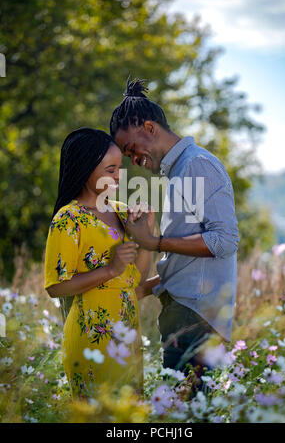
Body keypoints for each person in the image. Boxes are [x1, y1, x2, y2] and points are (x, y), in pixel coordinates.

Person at [110, 78, 240, 384]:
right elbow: (190, 265)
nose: (135, 161)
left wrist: (152, 242)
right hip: (188, 312)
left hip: (194, 318)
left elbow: (224, 240)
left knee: (181, 418)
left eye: (131, 149)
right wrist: (142, 289)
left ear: (150, 128)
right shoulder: (181, 169)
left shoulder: (196, 165)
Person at [44, 127, 153, 399]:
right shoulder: (68, 218)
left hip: (128, 333)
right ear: (86, 169)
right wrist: (110, 270)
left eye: (119, 169)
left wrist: (146, 231)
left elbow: (135, 280)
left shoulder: (120, 211)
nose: (118, 177)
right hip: (91, 336)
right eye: (110, 169)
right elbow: (56, 286)